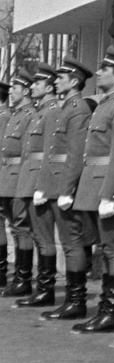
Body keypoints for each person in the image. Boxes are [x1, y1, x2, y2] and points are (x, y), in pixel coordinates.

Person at [73, 48, 114, 334]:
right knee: (106, 249)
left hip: (107, 186)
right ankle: (105, 310)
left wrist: (110, 194)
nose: (98, 73)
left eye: (104, 69)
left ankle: (113, 312)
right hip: (96, 182)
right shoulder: (104, 104)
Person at [38, 57, 94, 321]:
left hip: (65, 185)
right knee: (67, 244)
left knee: (72, 244)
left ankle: (76, 301)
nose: (55, 81)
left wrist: (67, 189)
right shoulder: (66, 108)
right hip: (56, 182)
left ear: (74, 82)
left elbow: (75, 154)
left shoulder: (79, 109)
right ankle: (72, 300)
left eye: (61, 78)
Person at [16, 68, 59, 309]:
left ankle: (45, 290)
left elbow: (50, 152)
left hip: (39, 181)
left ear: (49, 87)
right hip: (29, 179)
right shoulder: (41, 112)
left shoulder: (52, 112)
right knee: (34, 234)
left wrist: (43, 184)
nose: (32, 87)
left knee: (44, 238)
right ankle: (41, 288)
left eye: (37, 83)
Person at [0, 70, 36, 297]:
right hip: (7, 175)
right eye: (11, 88)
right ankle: (15, 277)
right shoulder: (14, 115)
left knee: (22, 229)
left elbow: (26, 152)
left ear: (26, 90)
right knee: (15, 227)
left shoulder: (27, 115)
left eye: (16, 88)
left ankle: (22, 278)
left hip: (17, 176)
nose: (13, 91)